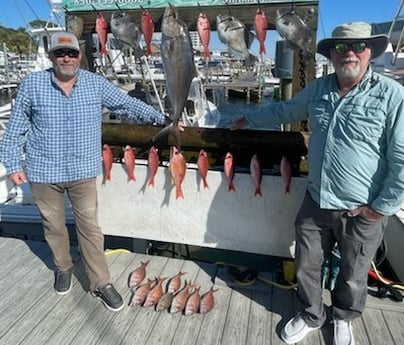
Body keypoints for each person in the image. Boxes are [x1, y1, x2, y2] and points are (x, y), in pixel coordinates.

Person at [232, 22, 404, 345]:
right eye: (341, 47)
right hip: (317, 199)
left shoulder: (393, 96)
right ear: (332, 54)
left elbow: (402, 161)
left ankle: (343, 318)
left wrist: (380, 209)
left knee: (354, 274)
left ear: (370, 52)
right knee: (306, 265)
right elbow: (286, 110)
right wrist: (250, 119)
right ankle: (312, 314)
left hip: (362, 209)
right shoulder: (318, 88)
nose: (349, 53)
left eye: (357, 47)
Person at [0, 32, 170, 312]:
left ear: (79, 56)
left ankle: (101, 282)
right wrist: (13, 164)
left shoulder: (95, 84)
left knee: (90, 227)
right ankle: (63, 266)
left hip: (82, 170)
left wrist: (162, 119)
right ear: (51, 56)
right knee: (52, 225)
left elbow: (127, 103)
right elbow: (16, 127)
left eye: (71, 53)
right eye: (60, 53)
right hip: (44, 170)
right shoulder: (33, 84)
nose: (66, 58)